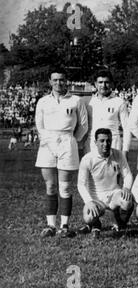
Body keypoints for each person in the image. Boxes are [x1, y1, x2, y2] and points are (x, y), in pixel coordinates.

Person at [35, 67, 88, 237]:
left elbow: (83, 125)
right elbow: (39, 125)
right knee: (50, 186)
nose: (59, 83)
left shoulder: (76, 100)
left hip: (67, 141)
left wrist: (72, 141)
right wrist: (48, 141)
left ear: (67, 81)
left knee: (65, 187)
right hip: (47, 143)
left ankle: (64, 226)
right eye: (55, 80)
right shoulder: (42, 101)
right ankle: (50, 225)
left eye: (62, 79)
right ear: (50, 81)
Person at [77, 128, 134, 238]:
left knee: (127, 201)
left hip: (114, 194)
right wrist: (89, 202)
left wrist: (126, 188)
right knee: (88, 217)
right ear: (95, 142)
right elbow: (81, 184)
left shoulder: (118, 155)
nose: (105, 144)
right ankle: (96, 223)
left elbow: (127, 175)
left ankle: (119, 223)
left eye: (108, 140)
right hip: (96, 199)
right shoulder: (87, 159)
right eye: (102, 141)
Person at [83, 70, 130, 158]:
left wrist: (125, 150)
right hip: (92, 145)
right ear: (96, 84)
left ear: (111, 84)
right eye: (100, 82)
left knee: (113, 171)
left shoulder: (119, 102)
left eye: (106, 82)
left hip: (113, 144)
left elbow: (127, 128)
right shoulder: (88, 102)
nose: (103, 85)